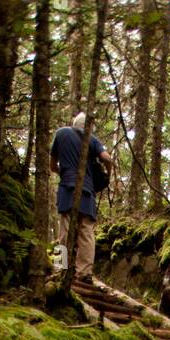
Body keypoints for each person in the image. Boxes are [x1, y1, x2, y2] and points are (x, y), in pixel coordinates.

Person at [50, 112, 113, 281]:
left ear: (74, 122)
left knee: (64, 230)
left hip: (67, 188)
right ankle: (84, 272)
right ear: (88, 127)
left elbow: (51, 165)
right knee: (86, 232)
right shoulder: (90, 139)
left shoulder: (61, 133)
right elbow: (107, 158)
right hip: (87, 190)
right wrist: (108, 174)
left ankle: (59, 269)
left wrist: (63, 172)